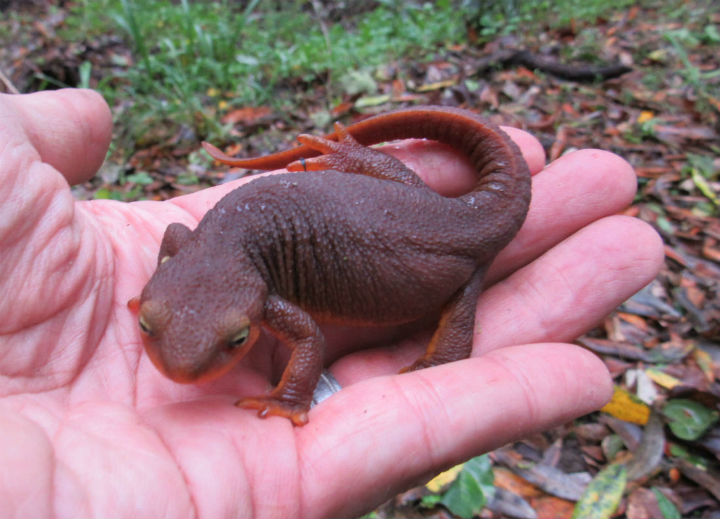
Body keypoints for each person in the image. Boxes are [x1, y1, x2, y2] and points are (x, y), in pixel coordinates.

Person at [0, 89, 663, 517]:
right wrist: (164, 303)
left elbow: (306, 337)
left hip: (448, 259)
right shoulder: (189, 252)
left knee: (449, 331)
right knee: (423, 229)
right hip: (401, 215)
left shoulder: (239, 285)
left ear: (255, 309)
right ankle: (365, 168)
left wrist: (292, 397)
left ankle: (440, 309)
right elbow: (178, 243)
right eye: (150, 325)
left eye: (231, 340)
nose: (180, 365)